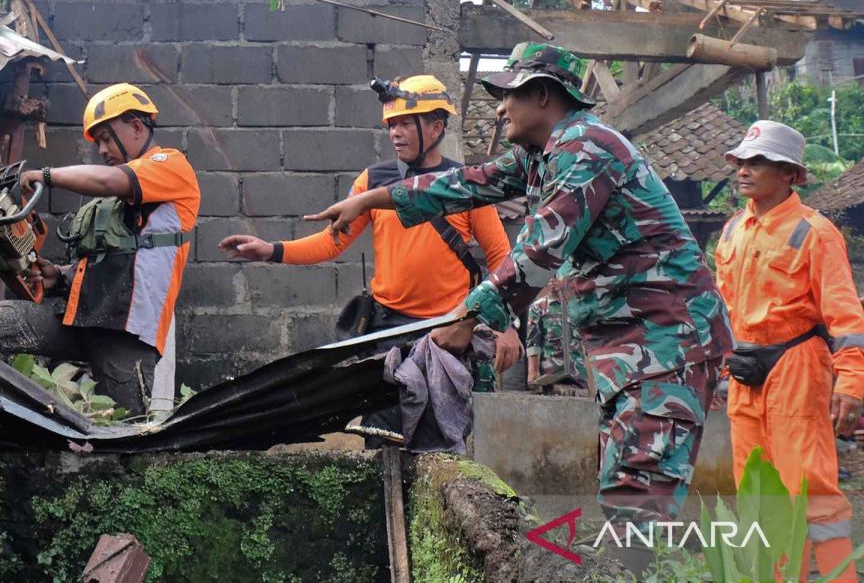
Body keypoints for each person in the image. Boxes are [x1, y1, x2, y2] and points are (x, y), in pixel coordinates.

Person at [305, 44, 733, 568]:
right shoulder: (542, 155)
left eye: (509, 95)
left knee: (637, 502)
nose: (500, 108)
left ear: (545, 95)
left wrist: (467, 319)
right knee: (625, 492)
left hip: (666, 343)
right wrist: (371, 199)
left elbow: (539, 250)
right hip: (633, 351)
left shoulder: (587, 149)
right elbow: (465, 183)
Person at [218, 74, 516, 440]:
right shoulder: (374, 181)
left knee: (440, 438)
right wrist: (272, 251)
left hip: (448, 333)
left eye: (407, 123)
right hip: (387, 330)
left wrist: (507, 326)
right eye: (391, 125)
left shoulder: (467, 183)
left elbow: (502, 255)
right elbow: (332, 244)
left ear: (437, 126)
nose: (395, 133)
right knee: (382, 437)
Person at [715, 120, 864, 582]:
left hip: (797, 368)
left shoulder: (814, 233)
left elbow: (846, 317)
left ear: (790, 175)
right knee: (758, 491)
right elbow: (725, 309)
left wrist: (853, 383)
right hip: (744, 372)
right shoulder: (732, 231)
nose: (743, 170)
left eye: (757, 162)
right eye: (742, 161)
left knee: (810, 488)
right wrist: (724, 370)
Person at [15, 83, 200, 417]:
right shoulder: (119, 197)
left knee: (124, 433)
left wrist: (45, 175)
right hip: (78, 319)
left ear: (136, 127)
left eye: (104, 137)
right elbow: (116, 260)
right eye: (97, 141)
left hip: (126, 334)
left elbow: (107, 181)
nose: (101, 149)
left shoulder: (171, 166)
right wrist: (60, 276)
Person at [525, 273, 589, 395]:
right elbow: (533, 341)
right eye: (549, 277)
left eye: (556, 276)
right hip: (551, 374)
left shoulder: (577, 306)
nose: (552, 281)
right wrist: (532, 371)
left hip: (578, 374)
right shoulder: (539, 307)